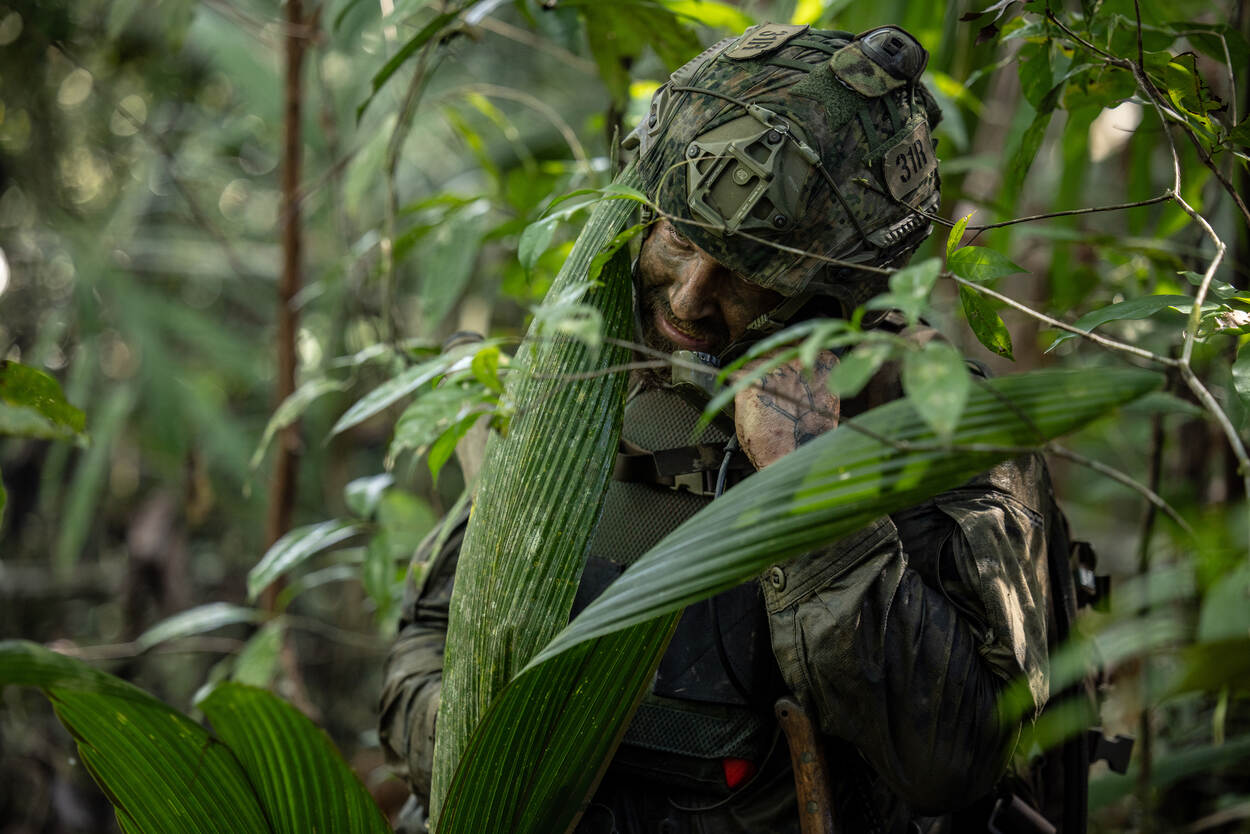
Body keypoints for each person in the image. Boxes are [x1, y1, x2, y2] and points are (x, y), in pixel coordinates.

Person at [380, 22, 1079, 834]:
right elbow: (425, 642)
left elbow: (953, 765)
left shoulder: (930, 423)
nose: (687, 300)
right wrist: (499, 765)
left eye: (749, 275)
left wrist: (809, 486)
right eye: (680, 238)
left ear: (839, 285)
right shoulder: (582, 368)